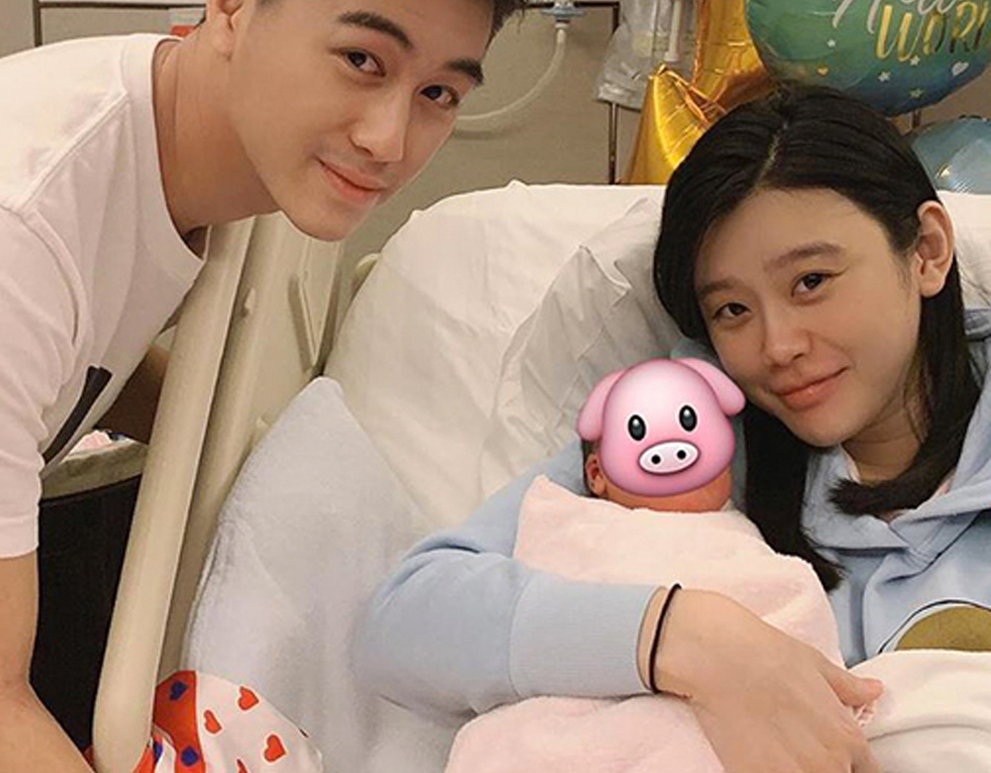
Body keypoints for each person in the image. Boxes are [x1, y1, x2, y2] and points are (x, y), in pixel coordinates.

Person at [0, 0, 546, 772]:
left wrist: (295, 480)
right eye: (361, 60)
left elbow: (82, 359)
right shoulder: (5, 235)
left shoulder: (199, 158)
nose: (389, 140)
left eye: (438, 93)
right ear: (233, 2)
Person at [361, 87, 991, 773]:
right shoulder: (697, 438)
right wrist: (683, 637)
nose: (777, 346)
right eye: (731, 310)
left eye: (811, 281)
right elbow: (408, 619)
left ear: (927, 251)